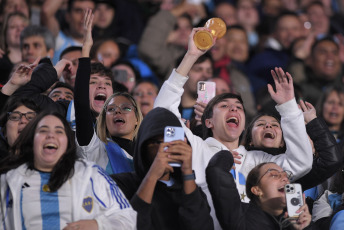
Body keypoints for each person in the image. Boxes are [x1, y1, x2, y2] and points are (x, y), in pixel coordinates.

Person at [154, 27, 313, 229]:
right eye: (224, 106)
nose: (234, 109)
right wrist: (191, 56)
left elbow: (302, 162)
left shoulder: (259, 162)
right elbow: (162, 113)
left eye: (239, 107)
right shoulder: (195, 148)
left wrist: (289, 107)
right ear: (208, 121)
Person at [0, 111, 137, 229]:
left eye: (59, 131)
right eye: (43, 130)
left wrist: (97, 225)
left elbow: (128, 218)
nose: (51, 136)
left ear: (67, 142)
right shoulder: (8, 181)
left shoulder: (91, 174)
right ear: (32, 140)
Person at [112, 107, 214, 230]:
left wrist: (187, 173)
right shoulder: (121, 183)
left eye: (173, 142)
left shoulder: (190, 188)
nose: (167, 149)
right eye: (159, 143)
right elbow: (128, 225)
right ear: (143, 146)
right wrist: (152, 176)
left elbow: (202, 226)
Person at [75, 9, 143, 174]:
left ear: (137, 119)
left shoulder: (147, 153)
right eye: (111, 109)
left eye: (126, 108)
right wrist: (86, 49)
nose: (118, 111)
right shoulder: (95, 148)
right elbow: (82, 105)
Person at [206, 150, 314, 230]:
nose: (285, 178)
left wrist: (304, 228)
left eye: (287, 176)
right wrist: (227, 156)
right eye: (274, 175)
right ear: (257, 190)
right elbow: (216, 171)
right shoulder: (240, 214)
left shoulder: (294, 223)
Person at [41, 0, 96, 64]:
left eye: (89, 12)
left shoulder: (100, 48)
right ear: (68, 16)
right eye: (78, 11)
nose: (84, 17)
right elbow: (46, 12)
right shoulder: (58, 39)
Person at [0, 12, 29, 85]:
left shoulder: (39, 60)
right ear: (4, 33)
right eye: (13, 26)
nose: (19, 29)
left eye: (23, 26)